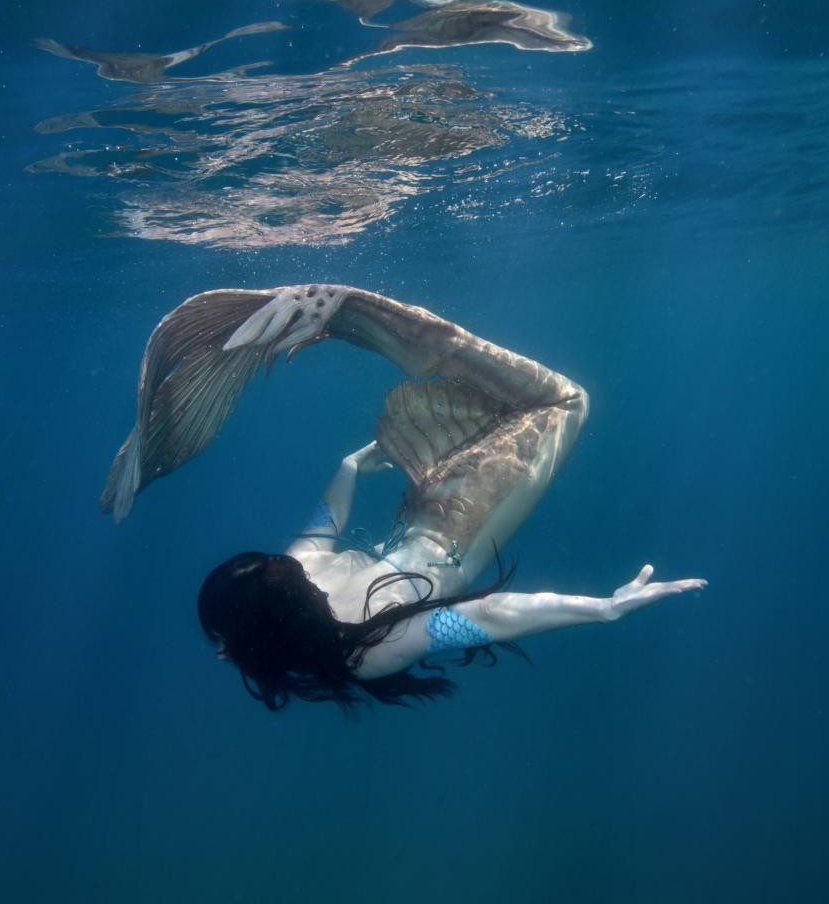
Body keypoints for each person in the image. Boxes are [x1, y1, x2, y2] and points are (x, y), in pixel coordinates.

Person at [102, 284, 705, 709]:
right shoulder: (326, 600)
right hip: (429, 500)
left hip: (464, 518)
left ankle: (355, 319)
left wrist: (602, 609)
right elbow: (327, 523)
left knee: (564, 402)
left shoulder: (362, 646)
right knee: (536, 403)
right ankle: (353, 320)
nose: (281, 564)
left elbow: (485, 615)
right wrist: (350, 466)